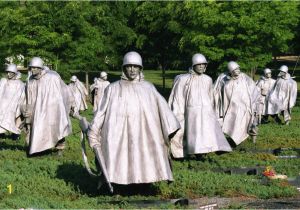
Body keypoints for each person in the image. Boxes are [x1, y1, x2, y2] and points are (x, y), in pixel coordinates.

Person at [88, 51, 180, 186]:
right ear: (124, 68)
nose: (132, 69)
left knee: (142, 155)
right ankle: (118, 182)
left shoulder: (148, 88)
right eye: (129, 66)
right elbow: (101, 112)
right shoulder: (113, 88)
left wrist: (170, 128)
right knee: (120, 156)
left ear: (140, 68)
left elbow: (164, 110)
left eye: (135, 66)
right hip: (118, 133)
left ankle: (144, 183)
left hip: (143, 132)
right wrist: (93, 129)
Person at [168, 53, 232, 158]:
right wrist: (177, 112)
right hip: (191, 111)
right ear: (193, 65)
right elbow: (178, 96)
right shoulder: (183, 79)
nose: (202, 66)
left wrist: (211, 110)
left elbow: (210, 96)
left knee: (206, 131)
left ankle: (204, 152)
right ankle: (184, 153)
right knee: (189, 132)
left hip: (205, 111)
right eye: (199, 64)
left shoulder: (208, 79)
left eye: (204, 64)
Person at [22, 57, 73, 155]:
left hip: (53, 108)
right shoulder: (30, 81)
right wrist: (28, 109)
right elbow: (28, 97)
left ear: (40, 68)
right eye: (31, 68)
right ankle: (40, 148)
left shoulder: (52, 78)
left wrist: (65, 105)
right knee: (39, 127)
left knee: (57, 127)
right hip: (38, 109)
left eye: (35, 68)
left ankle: (60, 148)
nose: (32, 70)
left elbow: (64, 90)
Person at [214, 61, 260, 145]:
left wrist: (253, 103)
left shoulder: (244, 78)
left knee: (247, 122)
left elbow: (253, 90)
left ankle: (251, 140)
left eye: (238, 68)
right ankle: (231, 140)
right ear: (230, 71)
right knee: (232, 122)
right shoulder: (223, 78)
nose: (238, 70)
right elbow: (216, 91)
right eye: (235, 69)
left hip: (244, 106)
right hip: (230, 107)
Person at [0, 64, 25, 139]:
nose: (8, 74)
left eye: (10, 72)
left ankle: (15, 135)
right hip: (3, 103)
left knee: (15, 119)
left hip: (14, 104)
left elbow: (21, 96)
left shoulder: (20, 84)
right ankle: (1, 133)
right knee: (1, 117)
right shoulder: (4, 81)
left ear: (15, 73)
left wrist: (18, 106)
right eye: (7, 72)